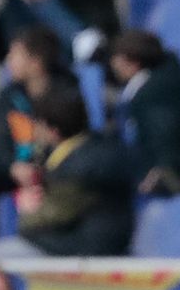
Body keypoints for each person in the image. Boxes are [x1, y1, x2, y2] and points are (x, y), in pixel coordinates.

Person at [0, 27, 79, 252]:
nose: (8, 62)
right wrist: (13, 167)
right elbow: (0, 145)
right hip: (14, 170)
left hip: (57, 169)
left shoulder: (68, 91)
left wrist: (41, 169)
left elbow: (73, 140)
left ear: (36, 62)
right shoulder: (9, 96)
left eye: (14, 55)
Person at [9, 84, 135, 257]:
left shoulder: (81, 167)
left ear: (52, 130)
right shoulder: (88, 150)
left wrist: (25, 210)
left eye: (37, 124)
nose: (34, 131)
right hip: (81, 242)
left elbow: (50, 215)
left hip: (84, 248)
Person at [106, 30, 180, 197]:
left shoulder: (152, 96)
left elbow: (164, 135)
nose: (113, 65)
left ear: (133, 62)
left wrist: (162, 173)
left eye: (117, 59)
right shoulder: (157, 87)